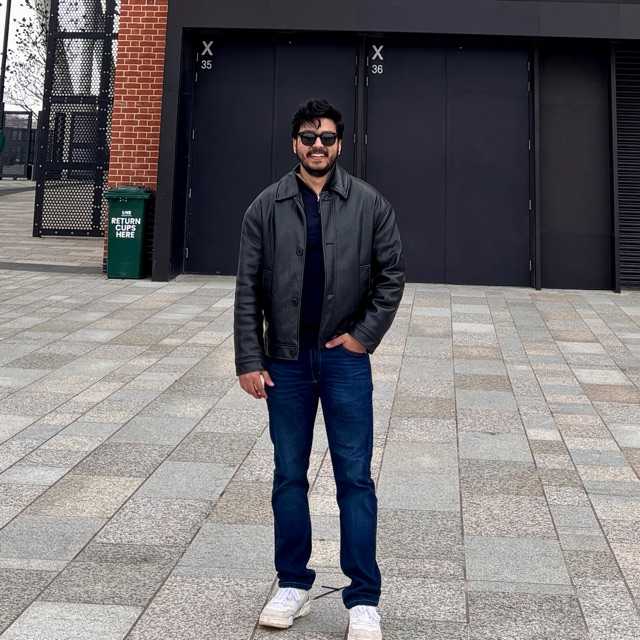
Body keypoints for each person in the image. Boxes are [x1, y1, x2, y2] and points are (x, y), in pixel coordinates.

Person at [234, 98, 405, 640]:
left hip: (342, 361)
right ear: (294, 144)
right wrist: (249, 359)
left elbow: (391, 276)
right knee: (289, 474)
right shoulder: (265, 207)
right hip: (285, 362)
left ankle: (364, 598)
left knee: (354, 477)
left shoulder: (369, 204)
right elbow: (247, 289)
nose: (317, 145)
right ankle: (293, 583)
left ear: (339, 144)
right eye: (308, 137)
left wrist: (361, 338)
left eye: (327, 137)